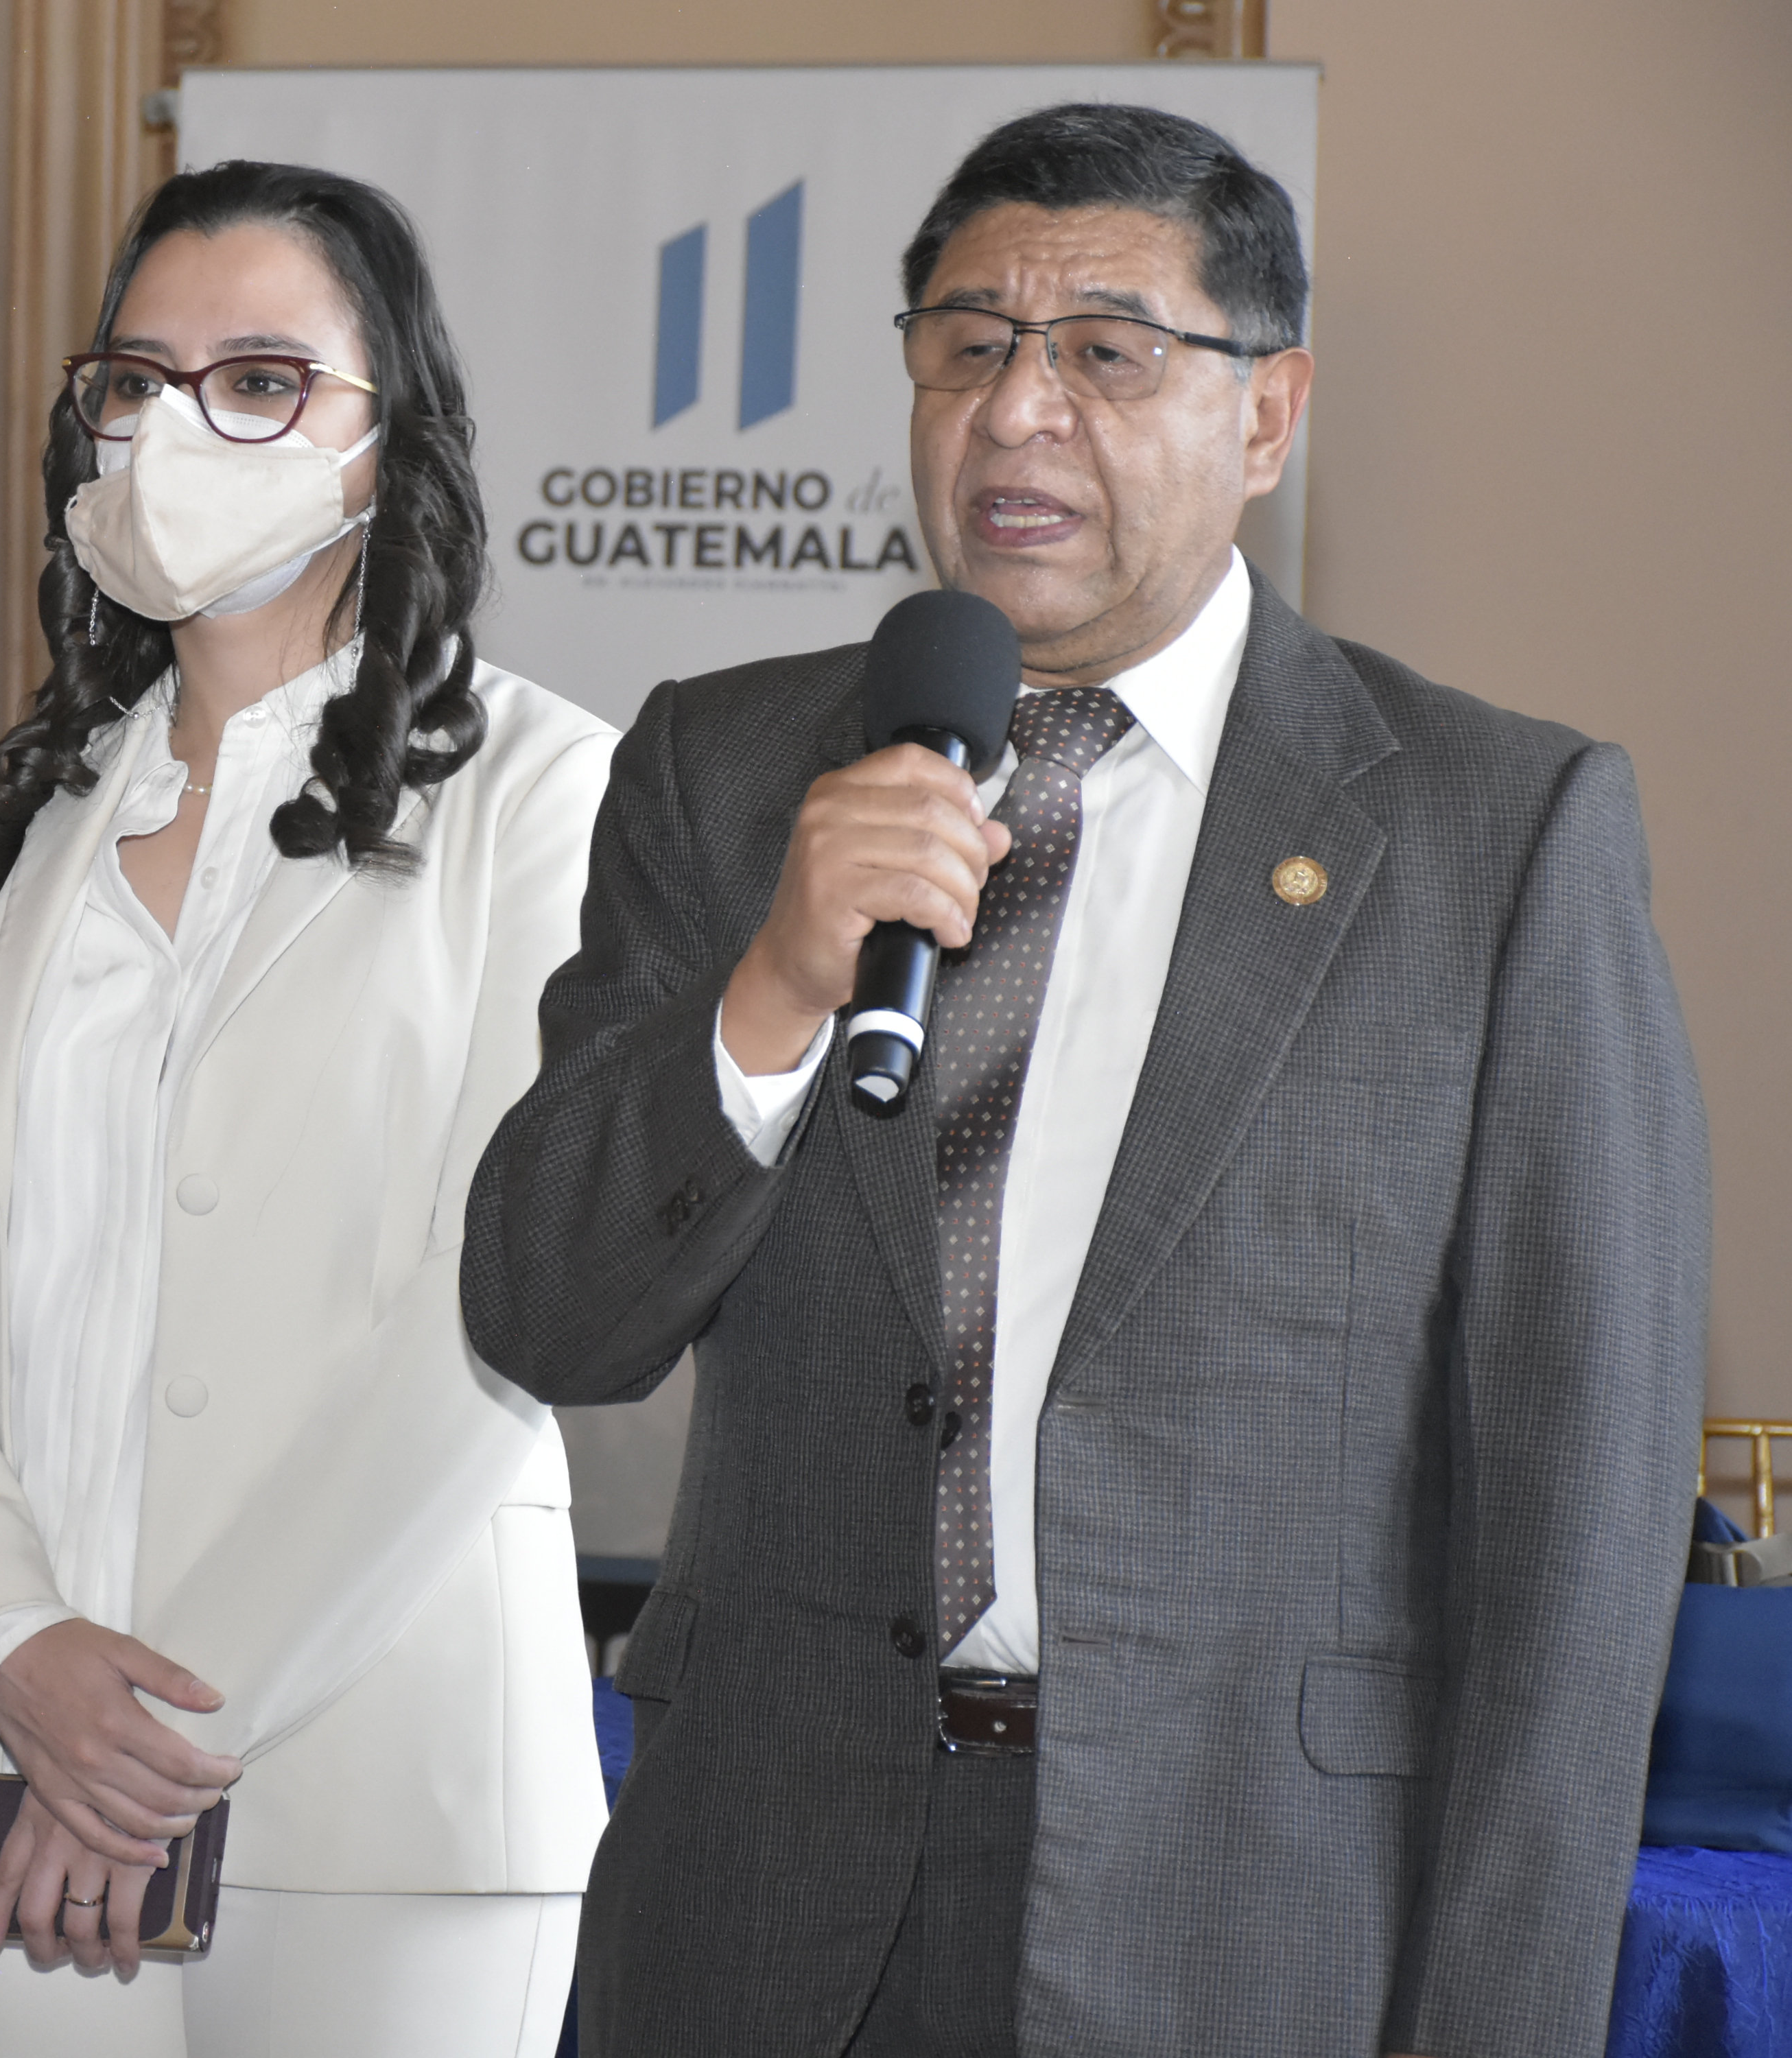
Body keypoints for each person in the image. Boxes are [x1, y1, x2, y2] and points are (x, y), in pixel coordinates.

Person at [463, 103, 1705, 2058]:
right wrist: (774, 985)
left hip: (1248, 1918)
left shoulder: (1493, 832)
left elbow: (1579, 1532)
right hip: (765, 1907)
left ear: (1267, 416)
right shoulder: (724, 772)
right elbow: (547, 1315)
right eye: (967, 345)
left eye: (1108, 354)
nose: (1016, 412)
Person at [0, 161, 614, 2057]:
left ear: (386, 438)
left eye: (261, 380)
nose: (180, 428)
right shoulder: (25, 808)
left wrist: (155, 1736)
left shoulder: (547, 790)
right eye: (137, 380)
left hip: (386, 1772)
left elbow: (492, 1310)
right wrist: (12, 1646)